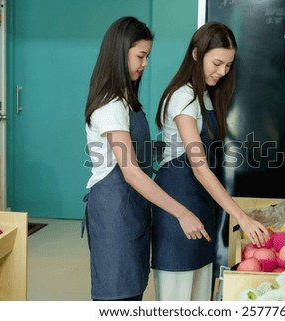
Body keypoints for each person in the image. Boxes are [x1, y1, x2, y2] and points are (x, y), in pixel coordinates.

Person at [83, 16, 210, 301]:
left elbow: (136, 153)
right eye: (140, 56)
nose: (145, 64)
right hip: (114, 212)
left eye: (147, 56)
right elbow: (131, 172)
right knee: (117, 299)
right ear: (120, 52)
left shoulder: (126, 100)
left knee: (133, 294)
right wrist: (182, 212)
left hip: (132, 212)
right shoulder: (111, 105)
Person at [152, 21, 270, 301]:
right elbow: (199, 167)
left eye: (228, 66)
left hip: (202, 205)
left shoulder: (205, 96)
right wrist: (240, 216)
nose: (223, 72)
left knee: (200, 296)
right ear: (196, 54)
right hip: (178, 208)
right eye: (217, 63)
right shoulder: (183, 98)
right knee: (176, 301)